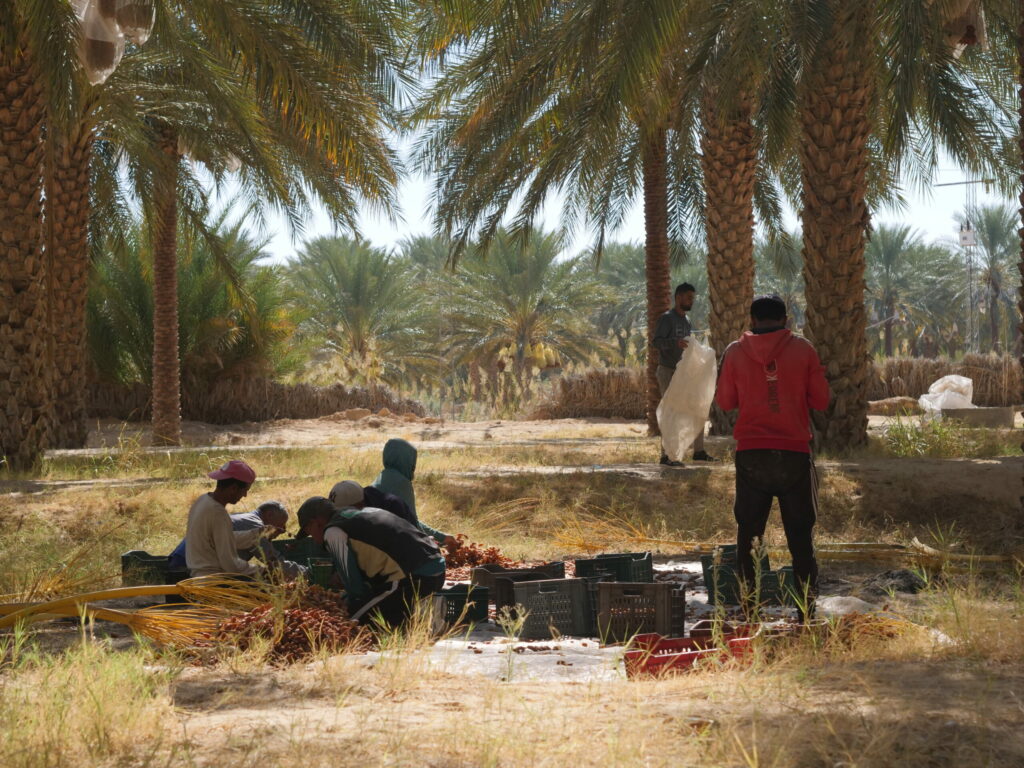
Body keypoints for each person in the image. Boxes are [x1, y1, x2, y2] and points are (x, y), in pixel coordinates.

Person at [715, 295, 830, 619]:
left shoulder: (735, 352)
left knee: (749, 538)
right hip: (794, 454)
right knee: (800, 541)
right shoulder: (803, 349)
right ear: (786, 320)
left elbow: (725, 402)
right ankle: (806, 614)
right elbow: (821, 400)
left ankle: (750, 612)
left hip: (752, 454)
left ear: (751, 320)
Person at [296, 496, 446, 628]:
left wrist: (342, 604)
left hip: (411, 577)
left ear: (316, 523)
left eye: (309, 532)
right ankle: (420, 610)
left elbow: (355, 588)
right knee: (376, 607)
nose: (314, 539)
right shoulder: (357, 513)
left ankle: (426, 618)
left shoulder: (332, 531)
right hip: (435, 568)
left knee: (349, 621)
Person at [652, 282, 716, 466]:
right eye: (689, 297)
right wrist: (675, 342)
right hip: (668, 371)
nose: (691, 301)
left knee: (697, 407)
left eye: (693, 298)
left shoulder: (686, 321)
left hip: (684, 373)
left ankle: (699, 451)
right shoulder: (667, 319)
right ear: (678, 297)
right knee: (671, 411)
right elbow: (656, 342)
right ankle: (666, 456)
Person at [372, 439, 459, 549]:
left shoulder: (383, 477)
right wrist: (434, 542)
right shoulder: (401, 482)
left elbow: (409, 518)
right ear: (407, 460)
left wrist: (442, 537)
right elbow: (413, 526)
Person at [184, 460, 264, 578]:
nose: (245, 496)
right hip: (214, 581)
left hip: (199, 577)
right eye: (245, 490)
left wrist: (259, 534)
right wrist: (262, 571)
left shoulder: (203, 501)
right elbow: (231, 564)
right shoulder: (218, 513)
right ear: (233, 488)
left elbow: (224, 539)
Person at [168, 500, 289, 569]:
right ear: (269, 515)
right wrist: (304, 573)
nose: (283, 530)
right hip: (187, 565)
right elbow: (275, 563)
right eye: (281, 525)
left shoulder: (244, 518)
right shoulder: (254, 525)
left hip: (182, 559)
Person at [329, 480, 415, 525]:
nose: (339, 518)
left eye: (342, 514)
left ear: (360, 505)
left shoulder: (393, 507)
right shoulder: (360, 501)